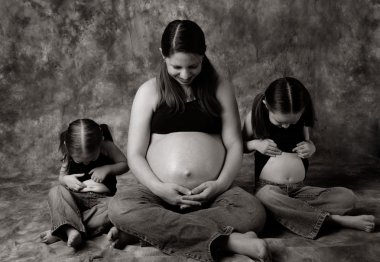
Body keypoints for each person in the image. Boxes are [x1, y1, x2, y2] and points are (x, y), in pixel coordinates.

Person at [107, 20, 270, 261]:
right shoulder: (149, 91)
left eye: (193, 66)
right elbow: (135, 154)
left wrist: (221, 184)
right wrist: (159, 188)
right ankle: (230, 241)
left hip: (213, 194)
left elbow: (235, 144)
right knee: (120, 207)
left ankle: (148, 232)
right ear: (163, 55)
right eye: (176, 67)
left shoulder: (220, 88)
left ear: (203, 54)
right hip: (159, 194)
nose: (185, 75)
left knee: (253, 212)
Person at [242, 77, 375, 239]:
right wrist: (255, 144)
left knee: (348, 197)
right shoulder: (255, 116)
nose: (286, 126)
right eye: (280, 122)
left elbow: (308, 142)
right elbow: (239, 146)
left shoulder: (301, 116)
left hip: (299, 190)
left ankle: (289, 213)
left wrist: (311, 147)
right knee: (265, 197)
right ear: (267, 105)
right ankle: (335, 220)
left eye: (292, 122)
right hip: (269, 189)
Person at [39, 119, 129, 248]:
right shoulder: (68, 153)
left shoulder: (107, 146)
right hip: (75, 199)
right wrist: (66, 180)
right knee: (56, 191)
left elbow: (125, 165)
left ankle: (63, 230)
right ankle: (70, 230)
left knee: (118, 207)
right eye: (80, 161)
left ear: (100, 143)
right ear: (67, 146)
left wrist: (107, 169)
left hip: (103, 200)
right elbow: (61, 177)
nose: (86, 163)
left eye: (91, 158)